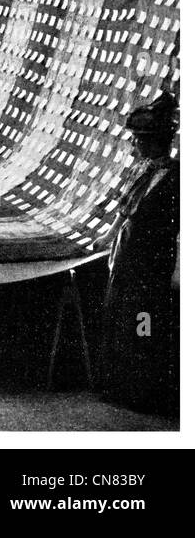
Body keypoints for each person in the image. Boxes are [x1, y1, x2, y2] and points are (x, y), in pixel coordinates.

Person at [97, 92, 178, 415]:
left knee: (143, 323)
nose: (134, 146)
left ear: (153, 142)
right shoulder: (142, 172)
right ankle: (119, 385)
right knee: (122, 318)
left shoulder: (176, 177)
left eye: (139, 140)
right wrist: (108, 240)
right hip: (129, 259)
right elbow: (124, 213)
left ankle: (142, 390)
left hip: (150, 263)